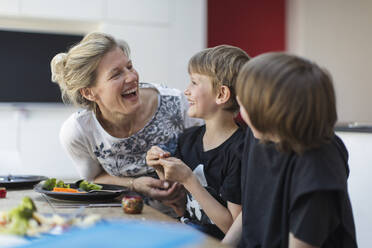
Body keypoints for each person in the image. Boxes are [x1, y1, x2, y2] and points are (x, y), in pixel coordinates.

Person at [50, 32, 202, 213]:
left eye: (130, 67)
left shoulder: (180, 105)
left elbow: (212, 168)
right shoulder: (79, 131)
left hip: (189, 219)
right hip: (124, 219)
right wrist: (134, 184)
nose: (131, 77)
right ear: (89, 93)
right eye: (116, 75)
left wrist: (184, 191)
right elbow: (93, 179)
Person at [224, 52, 357, 247]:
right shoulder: (258, 137)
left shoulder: (319, 166)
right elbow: (251, 211)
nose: (240, 106)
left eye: (245, 100)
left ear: (271, 111)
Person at [146, 45, 250, 239]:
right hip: (186, 234)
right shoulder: (189, 138)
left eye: (194, 82)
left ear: (221, 95)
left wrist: (189, 180)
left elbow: (232, 228)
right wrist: (162, 169)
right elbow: (180, 202)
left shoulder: (240, 150)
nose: (186, 91)